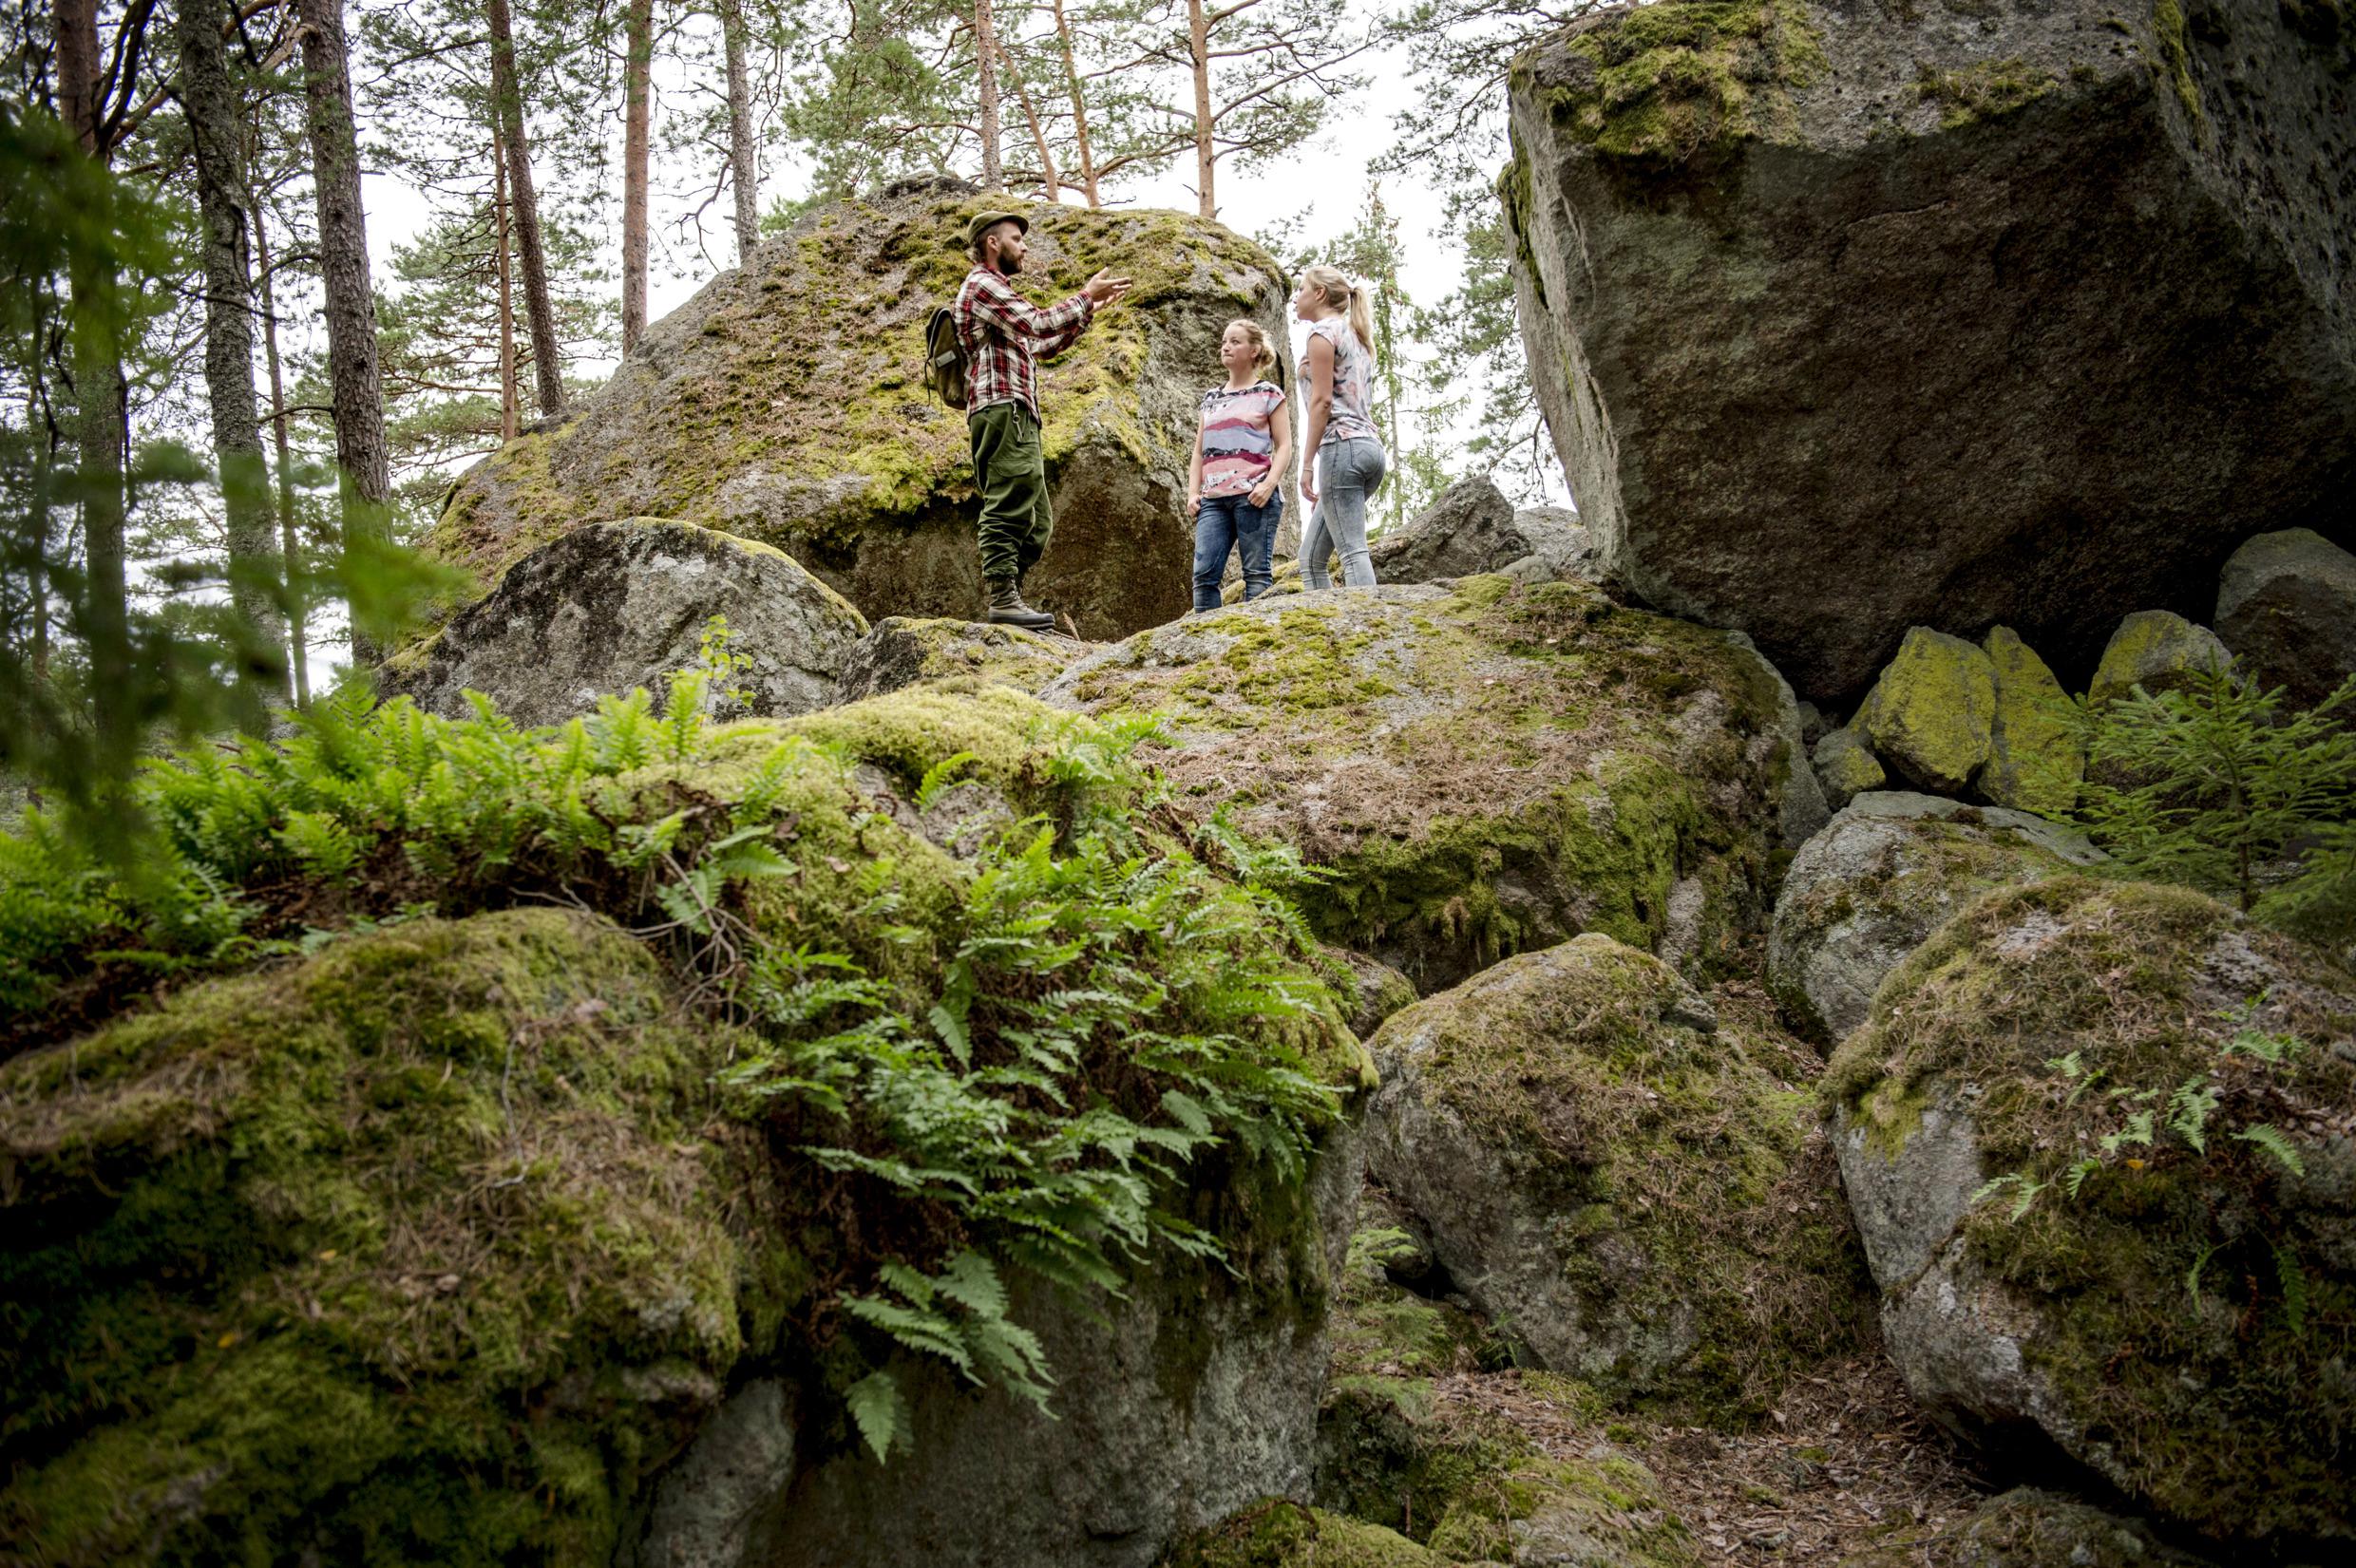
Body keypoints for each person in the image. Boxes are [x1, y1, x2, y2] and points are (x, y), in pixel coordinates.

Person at [953, 209, 1131, 629]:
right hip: (1001, 408)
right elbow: (1036, 323)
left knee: (1037, 520)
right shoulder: (982, 285)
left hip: (1018, 410)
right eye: (1016, 239)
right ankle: (1002, 598)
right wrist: (1083, 297)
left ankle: (1011, 596)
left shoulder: (998, 293)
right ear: (993, 242)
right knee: (1008, 502)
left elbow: (1040, 346)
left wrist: (1087, 312)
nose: (1025, 246)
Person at [1185, 319, 1291, 611]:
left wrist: (1268, 485)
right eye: (1224, 342)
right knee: (1204, 577)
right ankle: (1207, 637)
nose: (1226, 347)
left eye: (1235, 341)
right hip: (1213, 500)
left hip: (1254, 497)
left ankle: (1258, 638)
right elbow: (1199, 452)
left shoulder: (1269, 393)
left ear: (1254, 350)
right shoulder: (1211, 398)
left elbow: (1284, 446)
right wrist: (1193, 493)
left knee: (1256, 575)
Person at [1292, 264, 1386, 592]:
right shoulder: (1357, 337)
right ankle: (1330, 621)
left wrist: (1307, 464)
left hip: (1342, 449)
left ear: (1319, 293)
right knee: (1310, 559)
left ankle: (1370, 621)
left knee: (1352, 551)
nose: (1296, 297)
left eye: (1302, 289)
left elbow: (1322, 402)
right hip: (1370, 450)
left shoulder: (1322, 333)